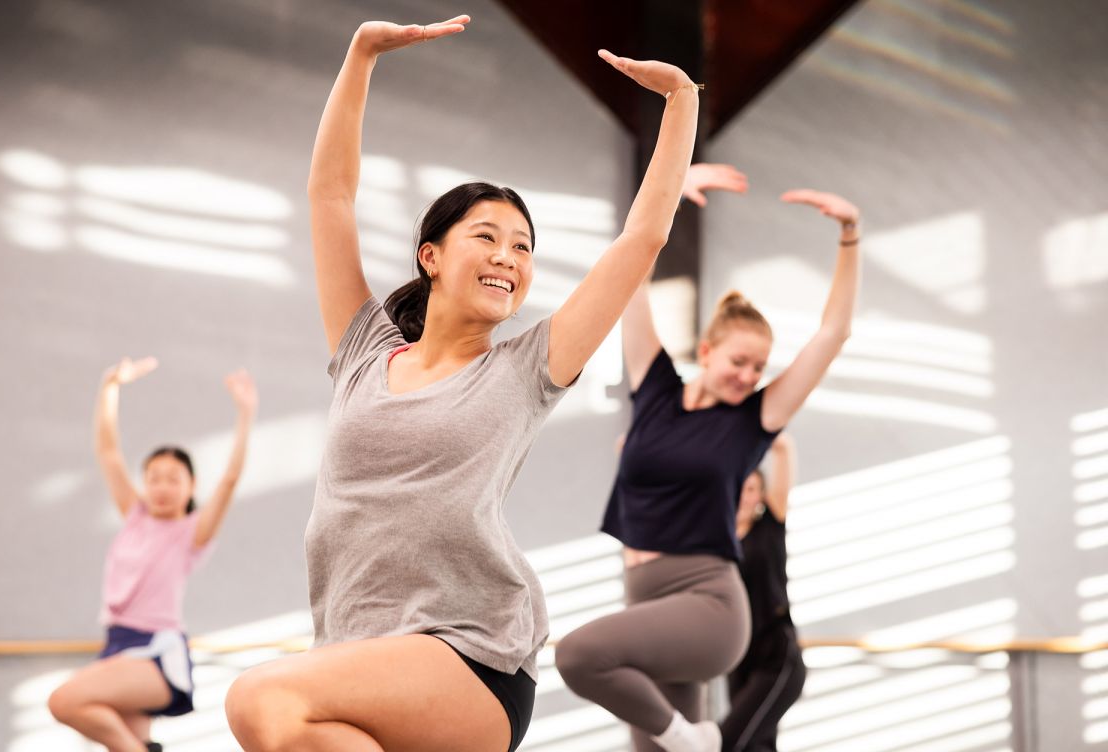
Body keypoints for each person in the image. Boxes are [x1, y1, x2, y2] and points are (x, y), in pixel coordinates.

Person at [223, 13, 701, 752]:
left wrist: (682, 106)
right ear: (432, 256)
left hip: (470, 658)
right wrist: (360, 58)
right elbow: (330, 199)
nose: (509, 256)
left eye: (523, 247)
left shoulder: (524, 370)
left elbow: (643, 239)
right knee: (282, 724)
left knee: (260, 696)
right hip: (355, 654)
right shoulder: (363, 352)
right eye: (486, 236)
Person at [554, 163, 861, 752]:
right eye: (738, 361)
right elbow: (627, 277)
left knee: (580, 655)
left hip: (708, 605)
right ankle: (690, 741)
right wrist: (664, 198)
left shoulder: (753, 421)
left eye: (759, 367)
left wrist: (850, 236)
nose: (750, 376)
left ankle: (699, 741)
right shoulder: (656, 390)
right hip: (644, 597)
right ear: (707, 349)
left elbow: (833, 334)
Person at [48, 357, 257, 752]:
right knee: (124, 741)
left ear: (191, 485)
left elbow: (229, 480)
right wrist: (110, 387)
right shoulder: (135, 516)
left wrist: (245, 414)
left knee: (65, 701)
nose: (162, 487)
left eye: (173, 479)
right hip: (116, 642)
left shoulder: (191, 533)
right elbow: (109, 453)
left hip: (157, 653)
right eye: (154, 478)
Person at [722, 433, 805, 751]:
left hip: (776, 655)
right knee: (758, 746)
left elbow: (783, 448)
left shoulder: (769, 526)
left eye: (752, 488)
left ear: (760, 496)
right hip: (738, 657)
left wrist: (742, 423)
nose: (744, 495)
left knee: (728, 743)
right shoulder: (717, 539)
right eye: (739, 487)